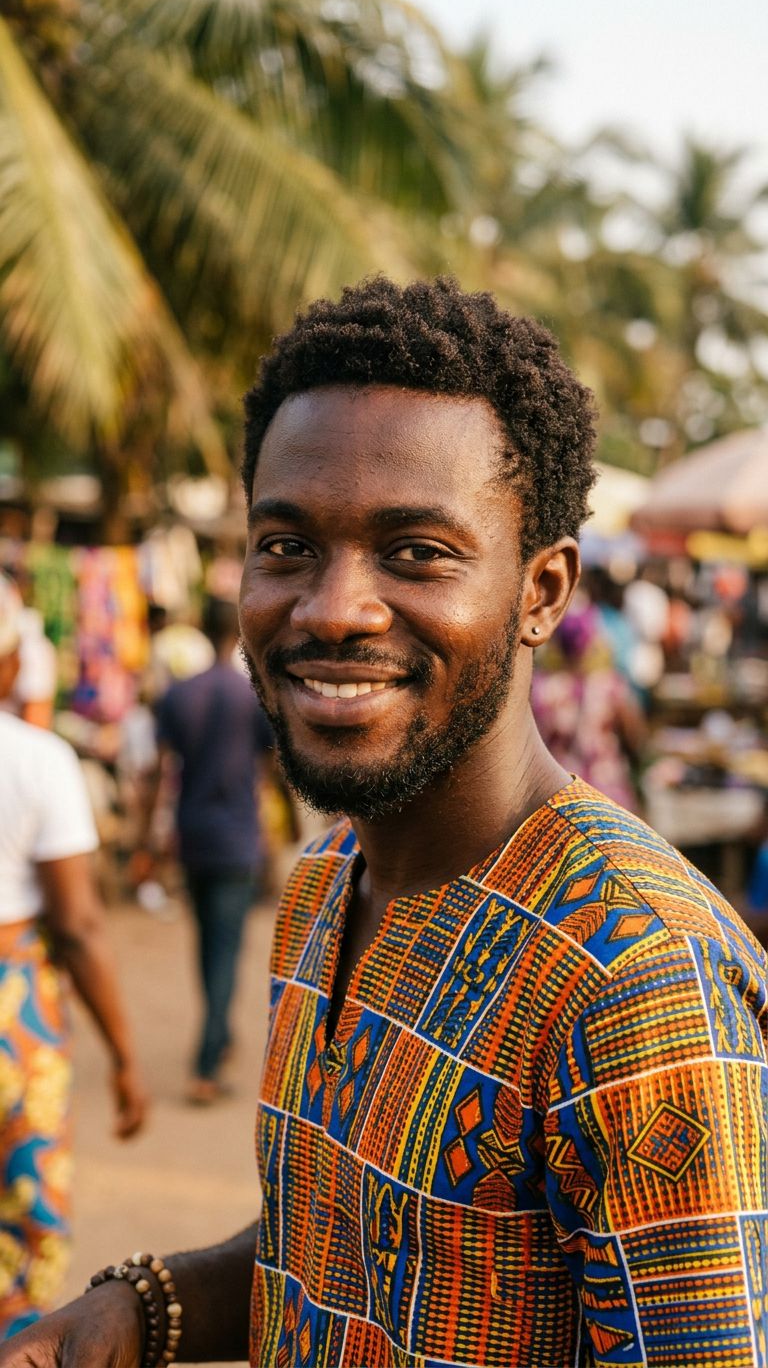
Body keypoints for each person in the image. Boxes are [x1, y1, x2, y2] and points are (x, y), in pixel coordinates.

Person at [3, 276, 767, 1367]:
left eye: (416, 551)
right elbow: (355, 1240)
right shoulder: (322, 881)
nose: (331, 608)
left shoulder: (640, 983)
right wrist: (147, 1304)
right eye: (286, 545)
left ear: (542, 590)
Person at [0, 575, 147, 1340]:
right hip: (10, 1011)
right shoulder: (35, 761)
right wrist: (123, 1056)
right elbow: (81, 926)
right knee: (22, 1232)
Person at [133, 597, 276, 1104]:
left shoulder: (179, 695)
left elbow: (157, 774)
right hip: (236, 837)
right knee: (226, 950)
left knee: (205, 945)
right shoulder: (252, 697)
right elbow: (273, 770)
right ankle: (207, 1065)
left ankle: (217, 1040)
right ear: (237, 632)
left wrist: (146, 840)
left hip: (192, 835)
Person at [532, 600, 646, 810]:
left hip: (556, 797)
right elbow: (635, 738)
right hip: (606, 797)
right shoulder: (610, 687)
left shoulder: (539, 688)